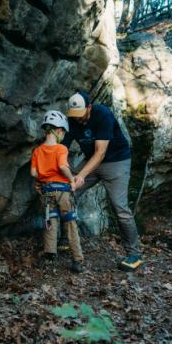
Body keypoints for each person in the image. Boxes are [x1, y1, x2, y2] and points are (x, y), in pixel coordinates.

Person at [63, 91, 143, 271]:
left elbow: (101, 152)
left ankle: (134, 254)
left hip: (116, 161)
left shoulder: (102, 114)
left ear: (89, 107)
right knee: (66, 192)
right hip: (91, 160)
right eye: (74, 116)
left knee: (119, 207)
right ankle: (65, 239)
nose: (78, 120)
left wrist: (80, 176)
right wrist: (65, 175)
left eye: (81, 114)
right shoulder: (71, 120)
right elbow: (62, 151)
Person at [30, 110, 86, 273]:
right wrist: (72, 181)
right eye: (63, 133)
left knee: (50, 221)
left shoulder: (37, 151)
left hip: (46, 193)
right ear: (59, 130)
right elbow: (62, 166)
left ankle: (50, 254)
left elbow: (33, 173)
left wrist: (40, 181)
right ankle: (77, 260)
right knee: (69, 223)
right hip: (62, 192)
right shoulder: (61, 148)